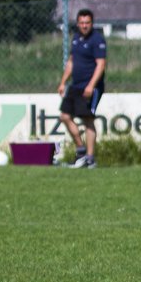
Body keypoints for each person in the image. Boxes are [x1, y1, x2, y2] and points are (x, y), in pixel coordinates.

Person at [57, 9, 106, 169]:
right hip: (75, 85)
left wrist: (91, 86)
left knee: (87, 120)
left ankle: (90, 159)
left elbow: (101, 64)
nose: (84, 26)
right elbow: (71, 61)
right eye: (82, 23)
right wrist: (63, 82)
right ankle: (81, 151)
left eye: (87, 23)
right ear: (78, 24)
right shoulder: (76, 38)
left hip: (90, 87)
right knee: (64, 116)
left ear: (92, 23)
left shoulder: (97, 39)